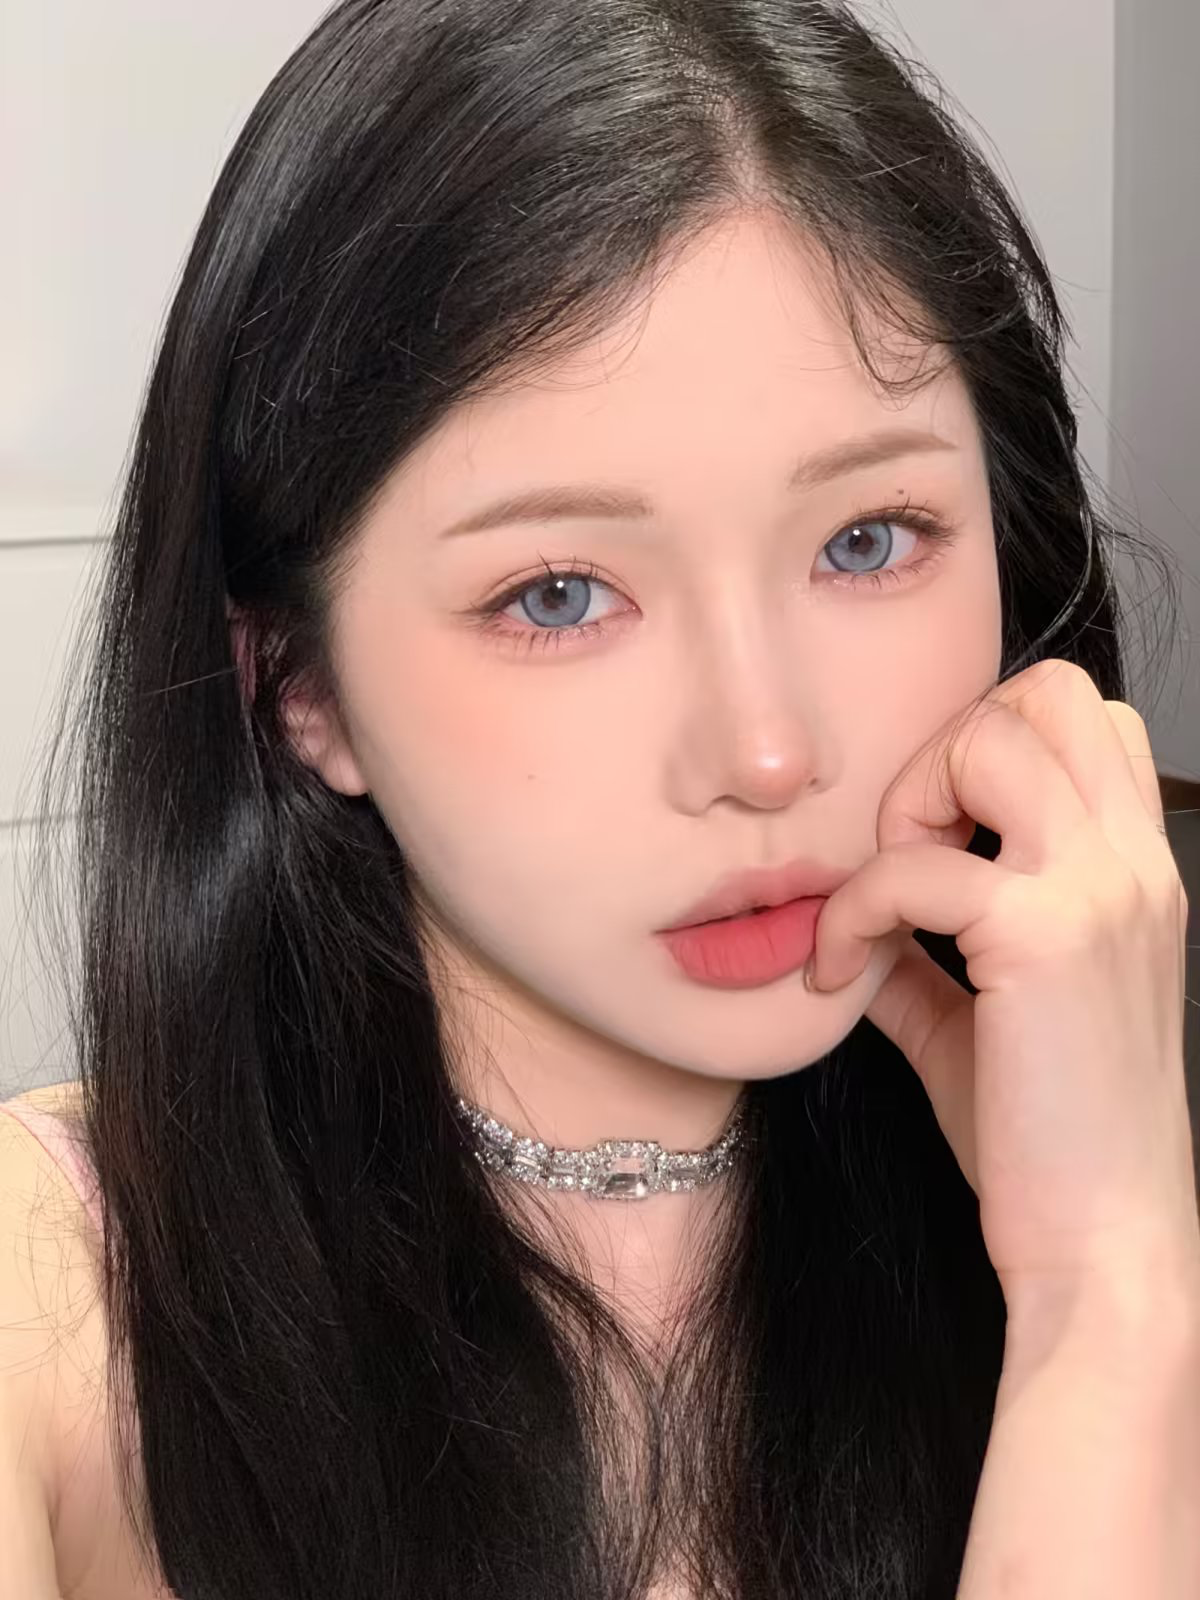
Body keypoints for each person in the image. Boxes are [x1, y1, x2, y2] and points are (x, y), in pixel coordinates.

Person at [1, 1, 1196, 1596]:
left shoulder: (1082, 1184)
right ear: (299, 686)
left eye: (867, 541)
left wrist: (1108, 1283)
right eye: (558, 594)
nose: (767, 754)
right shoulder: (54, 1300)